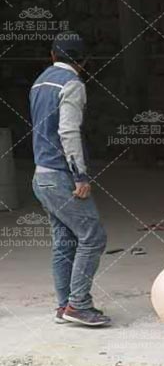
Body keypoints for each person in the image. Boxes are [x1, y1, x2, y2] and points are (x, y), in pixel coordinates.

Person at [30, 32, 110, 326]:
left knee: (64, 242)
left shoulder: (39, 82)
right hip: (61, 176)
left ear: (53, 55)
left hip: (41, 176)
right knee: (93, 237)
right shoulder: (72, 84)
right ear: (83, 61)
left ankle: (64, 306)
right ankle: (78, 305)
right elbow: (67, 131)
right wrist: (80, 175)